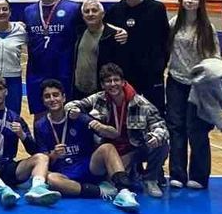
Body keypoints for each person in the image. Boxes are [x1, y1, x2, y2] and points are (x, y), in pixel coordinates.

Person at [67, 63, 169, 201]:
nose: (113, 84)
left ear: (123, 82)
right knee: (115, 181)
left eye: (116, 80)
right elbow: (71, 105)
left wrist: (156, 136)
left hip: (135, 149)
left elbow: (161, 126)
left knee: (163, 144)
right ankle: (131, 173)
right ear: (102, 85)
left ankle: (150, 179)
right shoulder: (98, 98)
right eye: (108, 81)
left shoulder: (141, 103)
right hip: (111, 151)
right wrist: (79, 113)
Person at [33, 79, 138, 210]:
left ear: (64, 97)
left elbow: (114, 134)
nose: (52, 99)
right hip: (64, 173)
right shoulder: (40, 125)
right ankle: (99, 191)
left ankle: (124, 191)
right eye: (47, 96)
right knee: (51, 179)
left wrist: (99, 126)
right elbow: (43, 159)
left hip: (89, 167)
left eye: (56, 95)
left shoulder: (78, 116)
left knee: (107, 148)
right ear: (43, 101)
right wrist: (54, 154)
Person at [0, 75, 60, 207]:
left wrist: (22, 135)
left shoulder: (15, 118)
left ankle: (37, 189)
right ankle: (2, 189)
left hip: (8, 167)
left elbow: (34, 150)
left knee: (42, 157)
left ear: (6, 91)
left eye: (0, 89)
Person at [165, 0, 218, 190]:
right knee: (176, 127)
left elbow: (214, 56)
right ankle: (177, 174)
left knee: (197, 130)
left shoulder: (207, 28)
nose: (190, 0)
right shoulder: (173, 24)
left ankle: (199, 176)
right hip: (176, 81)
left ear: (199, 3)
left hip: (199, 85)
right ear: (182, 1)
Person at [104, 0, 170, 115]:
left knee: (155, 114)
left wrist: (160, 65)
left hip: (151, 74)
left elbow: (166, 40)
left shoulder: (157, 9)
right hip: (126, 75)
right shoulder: (114, 11)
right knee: (127, 114)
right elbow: (109, 43)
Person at [24, 0, 82, 115]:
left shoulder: (73, 8)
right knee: (39, 115)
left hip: (63, 70)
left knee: (66, 112)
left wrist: (115, 30)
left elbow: (95, 25)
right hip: (37, 71)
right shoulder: (28, 11)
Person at [73, 0, 125, 97]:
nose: (90, 14)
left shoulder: (113, 35)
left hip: (103, 92)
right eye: (87, 11)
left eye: (94, 10)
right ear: (83, 16)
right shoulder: (79, 32)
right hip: (79, 91)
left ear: (102, 14)